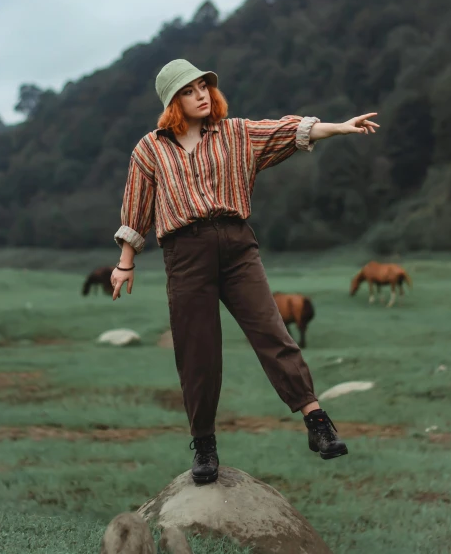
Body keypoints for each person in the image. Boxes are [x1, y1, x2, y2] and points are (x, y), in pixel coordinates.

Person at [111, 59, 379, 484]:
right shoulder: (150, 149)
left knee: (272, 332)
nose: (202, 94)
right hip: (185, 254)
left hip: (237, 247)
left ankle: (317, 422)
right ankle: (204, 445)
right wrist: (125, 263)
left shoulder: (236, 133)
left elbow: (289, 131)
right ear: (172, 101)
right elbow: (136, 207)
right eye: (190, 90)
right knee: (198, 353)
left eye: (204, 86)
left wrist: (340, 127)